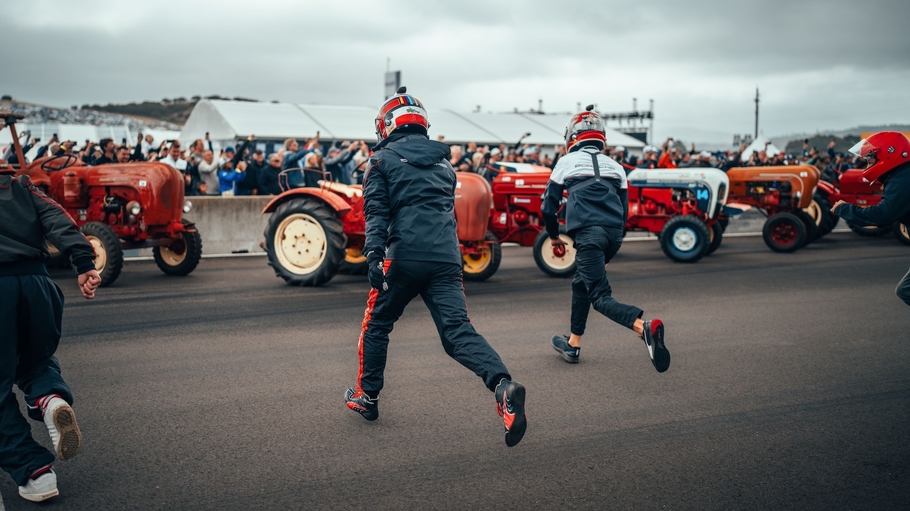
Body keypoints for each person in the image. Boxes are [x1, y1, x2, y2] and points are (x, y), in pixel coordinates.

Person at [344, 87, 528, 447]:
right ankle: (503, 385)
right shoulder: (445, 165)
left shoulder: (379, 161)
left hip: (403, 257)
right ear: (422, 123)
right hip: (446, 259)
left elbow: (377, 214)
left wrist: (372, 256)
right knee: (458, 332)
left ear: (386, 125)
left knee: (377, 324)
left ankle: (367, 398)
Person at [0, 114, 101, 503]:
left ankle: (35, 472)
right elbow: (63, 223)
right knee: (37, 360)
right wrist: (85, 265)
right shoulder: (24, 187)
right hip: (39, 286)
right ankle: (49, 400)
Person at [542, 105, 669, 372]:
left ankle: (643, 327)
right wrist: (609, 249)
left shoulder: (565, 163)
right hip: (613, 236)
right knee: (582, 284)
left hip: (589, 235)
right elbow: (623, 211)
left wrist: (554, 237)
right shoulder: (617, 167)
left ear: (572, 137)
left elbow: (547, 207)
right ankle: (573, 344)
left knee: (599, 296)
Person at [832, 132, 910, 306]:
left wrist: (843, 208)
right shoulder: (902, 175)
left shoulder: (902, 179)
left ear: (889, 154)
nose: (867, 164)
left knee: (906, 290)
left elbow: (882, 215)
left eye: (870, 159)